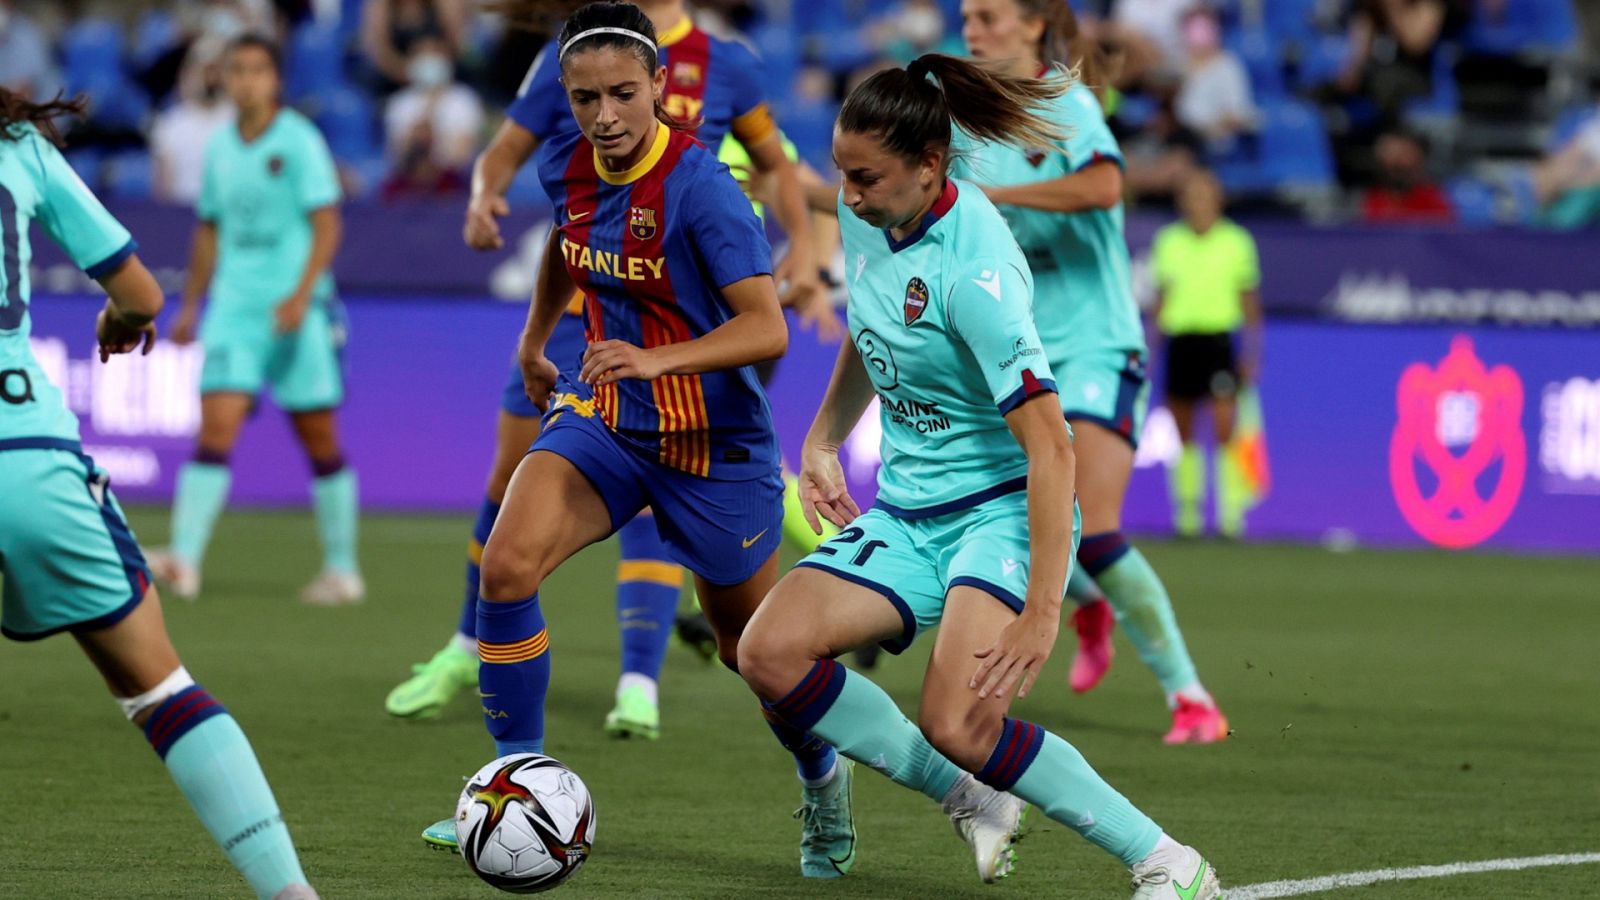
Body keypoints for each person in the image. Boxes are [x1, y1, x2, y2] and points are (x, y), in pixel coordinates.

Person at [736, 55, 1223, 898]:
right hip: (911, 508)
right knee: (767, 653)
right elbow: (872, 324)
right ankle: (971, 800)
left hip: (999, 512)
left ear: (930, 169)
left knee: (958, 719)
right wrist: (822, 439)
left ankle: (1170, 862)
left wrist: (1042, 611)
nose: (846, 197)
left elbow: (1053, 451)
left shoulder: (981, 277)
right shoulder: (872, 215)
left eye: (866, 179)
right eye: (843, 174)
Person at [387, 0, 828, 747]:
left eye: (622, 94)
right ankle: (517, 781)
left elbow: (765, 328)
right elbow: (569, 245)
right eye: (586, 98)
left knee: (752, 653)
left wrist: (658, 358)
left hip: (710, 443)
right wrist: (534, 342)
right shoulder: (563, 162)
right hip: (609, 418)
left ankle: (820, 774)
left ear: (659, 83)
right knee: (508, 564)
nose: (605, 115)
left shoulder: (708, 186)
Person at [861, 0, 1219, 742]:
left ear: (1033, 26)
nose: (975, 29)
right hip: (1011, 348)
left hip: (1094, 343)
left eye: (991, 16)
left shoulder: (1064, 102)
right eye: (967, 16)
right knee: (1049, 524)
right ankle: (1084, 599)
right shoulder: (954, 122)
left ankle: (1191, 697)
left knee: (1093, 522)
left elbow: (1104, 187)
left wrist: (999, 200)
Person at [0, 87, 317, 900]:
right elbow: (141, 295)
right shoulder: (19, 149)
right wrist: (116, 322)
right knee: (159, 690)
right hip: (24, 451)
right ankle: (290, 895)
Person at [146, 35, 360, 605]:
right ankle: (184, 559)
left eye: (257, 70)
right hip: (235, 310)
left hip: (298, 310)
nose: (246, 81)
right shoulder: (218, 148)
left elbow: (327, 224)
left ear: (275, 79)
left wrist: (300, 293)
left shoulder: (300, 141)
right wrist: (191, 306)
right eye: (236, 70)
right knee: (214, 429)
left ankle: (342, 569)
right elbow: (209, 228)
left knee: (320, 441)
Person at [1152, 170, 1263, 539]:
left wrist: (1251, 350)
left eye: (1205, 195)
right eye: (1192, 195)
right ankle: (1188, 516)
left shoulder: (1237, 242)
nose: (1198, 203)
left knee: (1224, 426)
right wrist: (1152, 349)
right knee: (1182, 430)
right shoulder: (1168, 241)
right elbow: (1161, 300)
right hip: (1181, 340)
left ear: (1218, 200)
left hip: (1217, 341)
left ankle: (1232, 517)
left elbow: (1249, 301)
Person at [381, 35, 484, 197]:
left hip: (452, 184)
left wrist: (431, 136)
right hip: (409, 183)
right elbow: (399, 157)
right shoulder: (399, 103)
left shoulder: (463, 100)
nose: (429, 60)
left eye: (435, 54)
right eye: (422, 55)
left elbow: (461, 157)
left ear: (447, 60)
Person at [151, 40, 235, 205]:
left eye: (214, 69)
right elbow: (163, 189)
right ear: (188, 73)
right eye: (203, 69)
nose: (209, 77)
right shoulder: (169, 124)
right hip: (182, 215)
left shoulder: (238, 120)